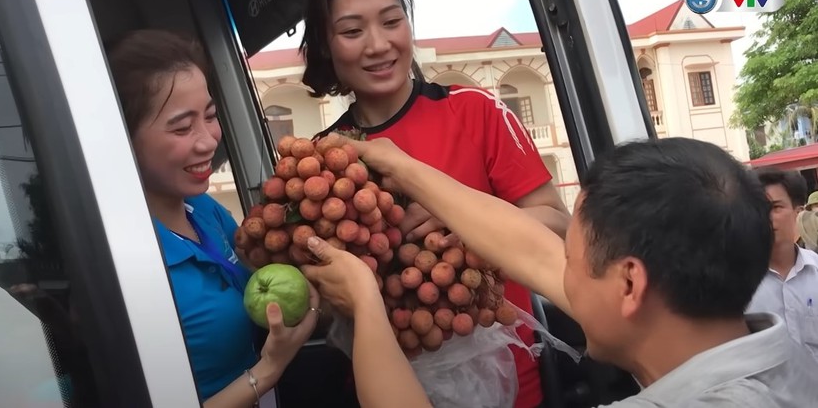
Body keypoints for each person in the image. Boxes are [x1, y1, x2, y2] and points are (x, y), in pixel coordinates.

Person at [302, 135, 818, 407]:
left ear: (630, 284)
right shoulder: (780, 356)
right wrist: (405, 170)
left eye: (572, 259)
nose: (559, 270)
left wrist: (367, 305)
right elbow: (531, 251)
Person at [299, 0, 570, 406]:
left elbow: (558, 224)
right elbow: (323, 288)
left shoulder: (476, 111)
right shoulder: (323, 160)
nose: (378, 44)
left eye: (391, 21)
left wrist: (465, 221)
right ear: (326, 46)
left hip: (513, 385)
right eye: (352, 31)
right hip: (384, 384)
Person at [106, 29, 319, 406]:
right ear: (123, 137)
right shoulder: (128, 261)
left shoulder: (204, 210)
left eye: (210, 116)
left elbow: (259, 276)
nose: (208, 141)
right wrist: (268, 369)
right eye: (182, 126)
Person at [749, 168, 818, 362]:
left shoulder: (816, 271)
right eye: (758, 208)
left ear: (798, 212)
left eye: (775, 207)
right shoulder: (738, 281)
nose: (766, 217)